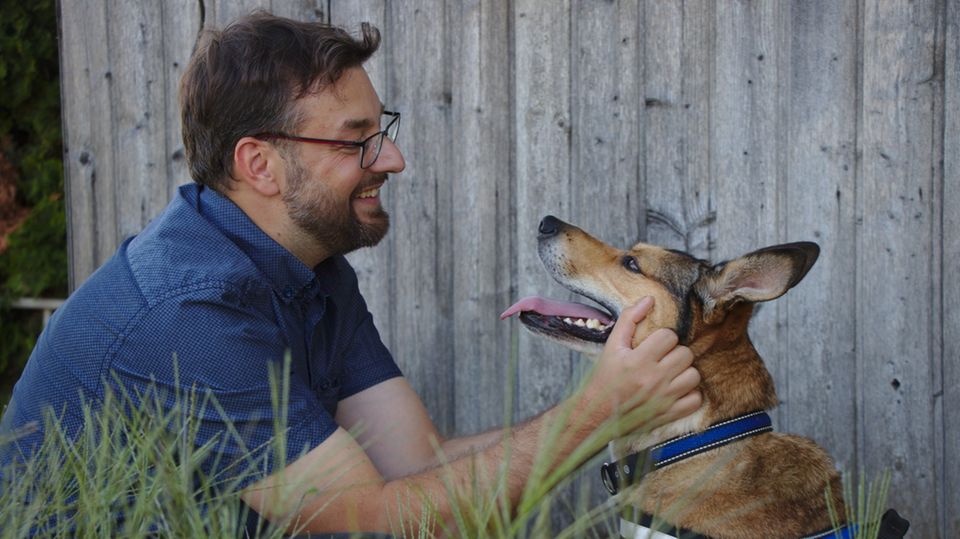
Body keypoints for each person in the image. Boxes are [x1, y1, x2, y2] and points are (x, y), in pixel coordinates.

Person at [0, 11, 701, 536]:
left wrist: (610, 400)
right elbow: (373, 522)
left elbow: (414, 462)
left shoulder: (314, 269)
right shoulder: (191, 313)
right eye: (355, 140)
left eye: (381, 131)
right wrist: (595, 413)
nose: (390, 160)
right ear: (260, 165)